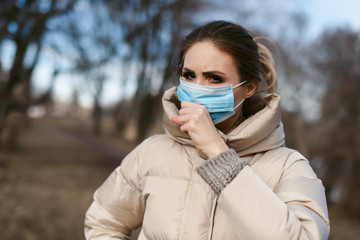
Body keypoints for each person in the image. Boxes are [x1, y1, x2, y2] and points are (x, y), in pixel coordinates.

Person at [84, 20, 330, 240]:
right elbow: (102, 223)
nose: (197, 89)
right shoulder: (152, 152)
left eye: (214, 78)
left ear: (249, 88)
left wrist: (218, 154)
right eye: (189, 75)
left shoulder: (289, 166)